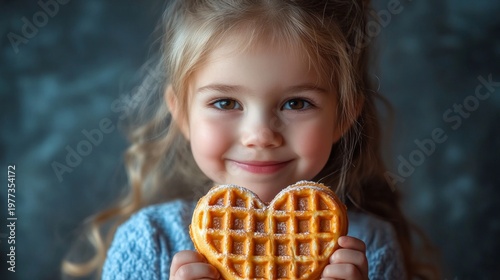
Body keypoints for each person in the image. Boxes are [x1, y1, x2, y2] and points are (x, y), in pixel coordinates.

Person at [63, 0, 439, 279]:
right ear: (182, 115)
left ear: (342, 116)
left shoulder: (369, 247)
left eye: (296, 103)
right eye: (225, 102)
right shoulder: (149, 242)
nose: (260, 135)